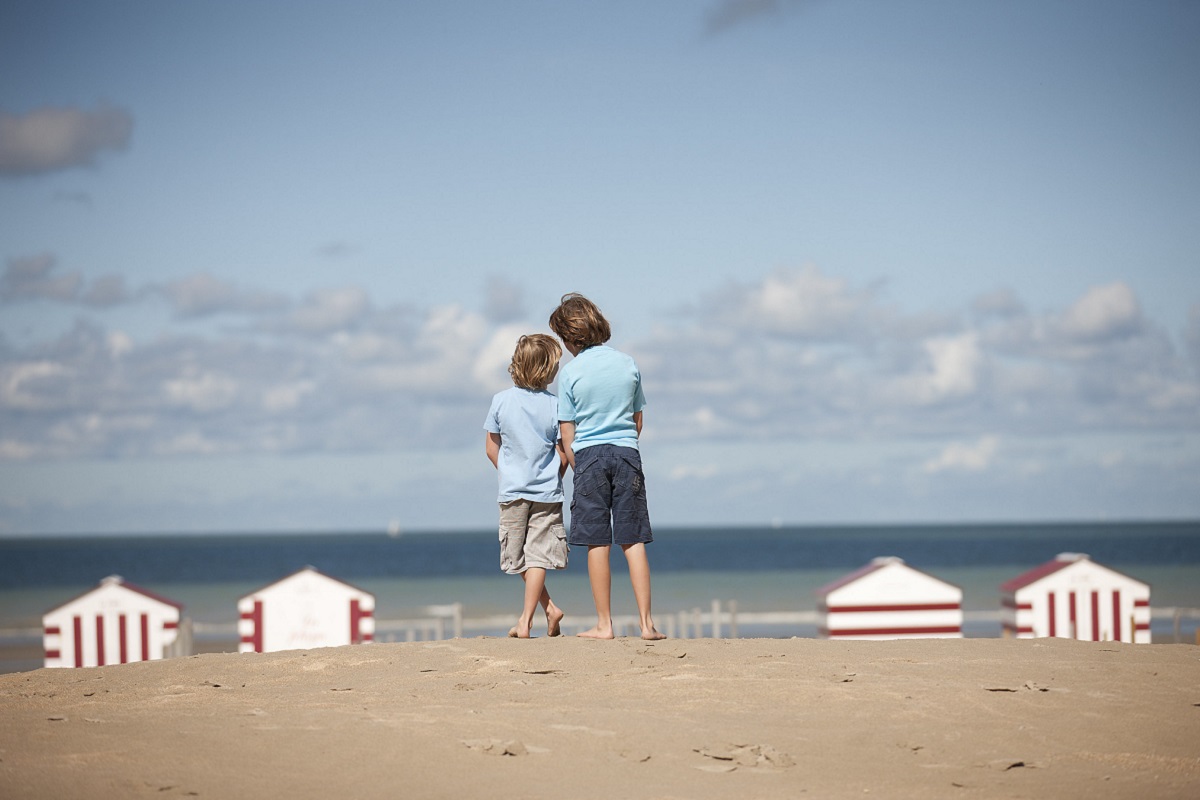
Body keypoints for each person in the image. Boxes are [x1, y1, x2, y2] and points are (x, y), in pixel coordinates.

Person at [548, 293, 665, 640]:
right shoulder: (627, 363)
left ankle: (604, 624)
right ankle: (647, 624)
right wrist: (625, 444)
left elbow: (567, 429)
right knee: (633, 540)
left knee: (597, 542)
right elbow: (638, 418)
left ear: (570, 337)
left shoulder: (570, 373)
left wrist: (576, 463)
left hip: (590, 456)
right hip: (627, 452)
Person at [484, 334, 569, 639]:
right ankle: (549, 609)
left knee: (518, 556)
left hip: (513, 491)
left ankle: (525, 620)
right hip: (547, 491)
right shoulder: (556, 405)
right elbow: (563, 450)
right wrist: (554, 474)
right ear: (548, 370)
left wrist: (508, 472)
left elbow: (491, 447)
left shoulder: (501, 401)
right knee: (535, 556)